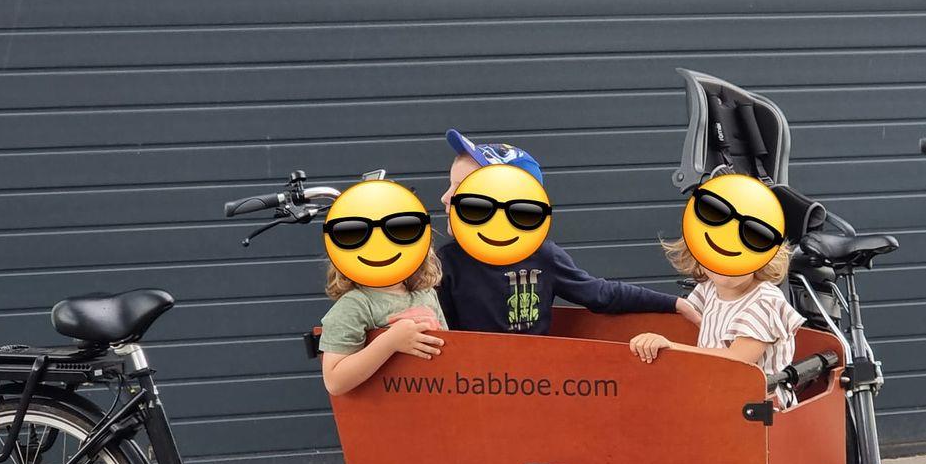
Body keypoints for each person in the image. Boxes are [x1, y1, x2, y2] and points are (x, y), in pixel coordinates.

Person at [437, 130, 700, 334]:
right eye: (451, 186)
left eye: (461, 190)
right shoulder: (447, 261)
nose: (445, 197)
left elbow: (600, 294)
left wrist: (674, 303)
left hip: (530, 382)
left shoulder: (544, 257)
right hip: (471, 383)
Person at [628, 238, 805, 407]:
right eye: (715, 252)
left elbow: (738, 360)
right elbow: (699, 320)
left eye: (737, 255)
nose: (725, 263)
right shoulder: (709, 288)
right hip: (717, 391)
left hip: (760, 404)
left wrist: (672, 347)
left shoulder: (764, 302)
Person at [317, 244, 447, 395]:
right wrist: (390, 342)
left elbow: (451, 348)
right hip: (385, 404)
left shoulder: (427, 294)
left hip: (433, 399)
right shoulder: (354, 305)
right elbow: (334, 382)